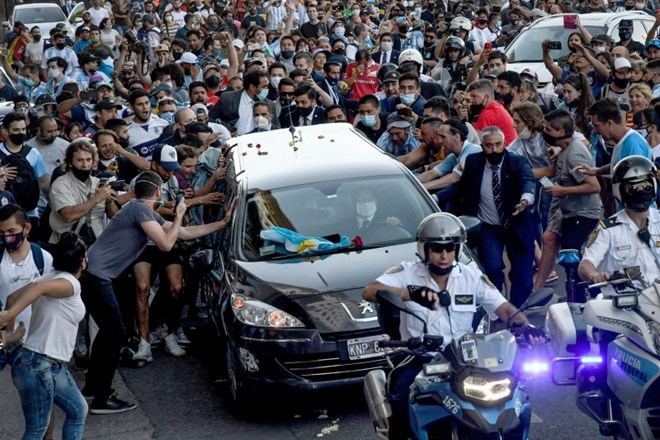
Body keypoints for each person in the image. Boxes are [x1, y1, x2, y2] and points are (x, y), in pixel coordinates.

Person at [362, 212, 533, 440]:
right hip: (421, 357)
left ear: (458, 250)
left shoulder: (471, 277)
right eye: (436, 249)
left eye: (450, 249)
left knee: (509, 398)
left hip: (467, 361)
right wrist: (408, 294)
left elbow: (503, 308)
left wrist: (525, 326)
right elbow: (370, 291)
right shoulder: (407, 272)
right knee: (402, 398)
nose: (444, 255)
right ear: (424, 249)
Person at [79, 170, 234, 414]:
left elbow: (179, 233)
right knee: (116, 334)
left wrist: (222, 223)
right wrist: (181, 213)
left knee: (110, 332)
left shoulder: (141, 209)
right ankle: (101, 398)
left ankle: (93, 385)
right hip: (96, 277)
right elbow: (167, 243)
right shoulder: (139, 208)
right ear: (160, 191)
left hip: (97, 276)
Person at [0, 231, 87, 440]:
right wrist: (10, 316)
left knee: (78, 410)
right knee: (38, 428)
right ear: (83, 262)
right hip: (39, 365)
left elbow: (12, 297)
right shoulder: (70, 284)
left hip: (47, 364)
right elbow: (39, 288)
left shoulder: (50, 276)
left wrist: (10, 335)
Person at [453, 126, 538, 307]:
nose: (494, 150)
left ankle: (515, 310)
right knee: (491, 269)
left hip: (517, 225)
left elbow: (528, 181)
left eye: (498, 145)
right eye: (489, 146)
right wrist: (434, 197)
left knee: (523, 278)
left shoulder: (517, 162)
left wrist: (525, 200)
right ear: (482, 146)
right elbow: (459, 188)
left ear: (504, 144)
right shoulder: (474, 162)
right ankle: (497, 306)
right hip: (489, 226)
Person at [579, 156, 660, 287]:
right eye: (632, 188)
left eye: (646, 185)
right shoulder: (607, 229)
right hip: (625, 301)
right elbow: (586, 264)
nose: (640, 191)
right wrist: (594, 275)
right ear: (619, 190)